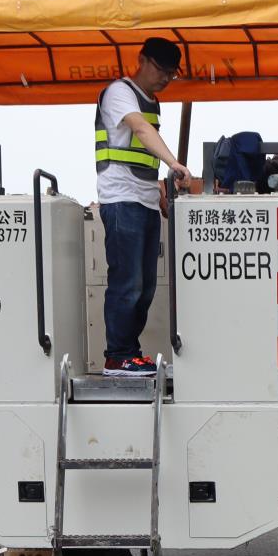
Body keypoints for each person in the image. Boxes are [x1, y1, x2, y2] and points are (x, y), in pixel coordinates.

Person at [95, 38, 193, 373]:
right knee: (128, 280)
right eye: (161, 69)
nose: (166, 78)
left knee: (146, 285)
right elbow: (140, 129)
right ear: (142, 60)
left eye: (172, 73)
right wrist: (175, 164)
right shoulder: (120, 93)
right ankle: (117, 355)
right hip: (121, 198)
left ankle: (130, 352)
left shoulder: (153, 101)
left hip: (145, 199)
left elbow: (141, 156)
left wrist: (161, 194)